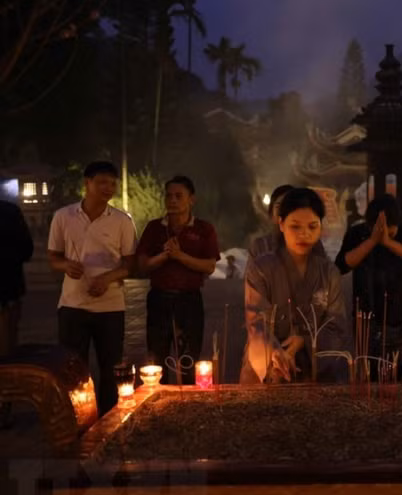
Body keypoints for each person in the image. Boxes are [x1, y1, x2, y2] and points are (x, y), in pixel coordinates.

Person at [47, 161, 136, 415]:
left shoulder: (121, 221)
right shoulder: (64, 216)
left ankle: (110, 418)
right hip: (73, 305)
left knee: (111, 368)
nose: (108, 188)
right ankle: (77, 419)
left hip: (110, 307)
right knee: (74, 368)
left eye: (112, 183)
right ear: (87, 183)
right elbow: (53, 256)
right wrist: (65, 265)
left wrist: (108, 278)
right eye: (101, 182)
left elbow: (131, 264)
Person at [240, 188, 348, 384]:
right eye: (295, 227)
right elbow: (256, 321)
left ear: (320, 227)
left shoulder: (329, 273)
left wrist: (304, 341)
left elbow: (336, 325)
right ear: (281, 224)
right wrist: (274, 352)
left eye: (312, 226)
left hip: (314, 370)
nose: (304, 234)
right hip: (268, 368)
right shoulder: (261, 268)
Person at [136, 176, 220, 385]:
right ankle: (159, 405)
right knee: (157, 359)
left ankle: (190, 406)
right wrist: (164, 256)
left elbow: (209, 266)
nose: (172, 200)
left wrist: (181, 256)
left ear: (192, 199)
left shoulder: (203, 229)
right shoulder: (155, 228)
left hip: (189, 301)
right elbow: (143, 265)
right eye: (168, 196)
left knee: (188, 360)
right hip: (159, 300)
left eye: (178, 196)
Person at [335, 194, 402, 379]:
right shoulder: (357, 233)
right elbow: (342, 266)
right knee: (369, 375)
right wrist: (371, 241)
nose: (383, 232)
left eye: (390, 230)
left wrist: (388, 242)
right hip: (367, 319)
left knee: (401, 373)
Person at [0, 199, 34, 428]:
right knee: (5, 352)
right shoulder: (10, 211)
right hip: (6, 292)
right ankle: (4, 407)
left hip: (6, 292)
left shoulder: (9, 211)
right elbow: (26, 250)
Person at [250, 184, 325, 259]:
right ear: (271, 213)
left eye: (290, 207)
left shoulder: (312, 244)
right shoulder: (260, 246)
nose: (284, 212)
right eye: (279, 207)